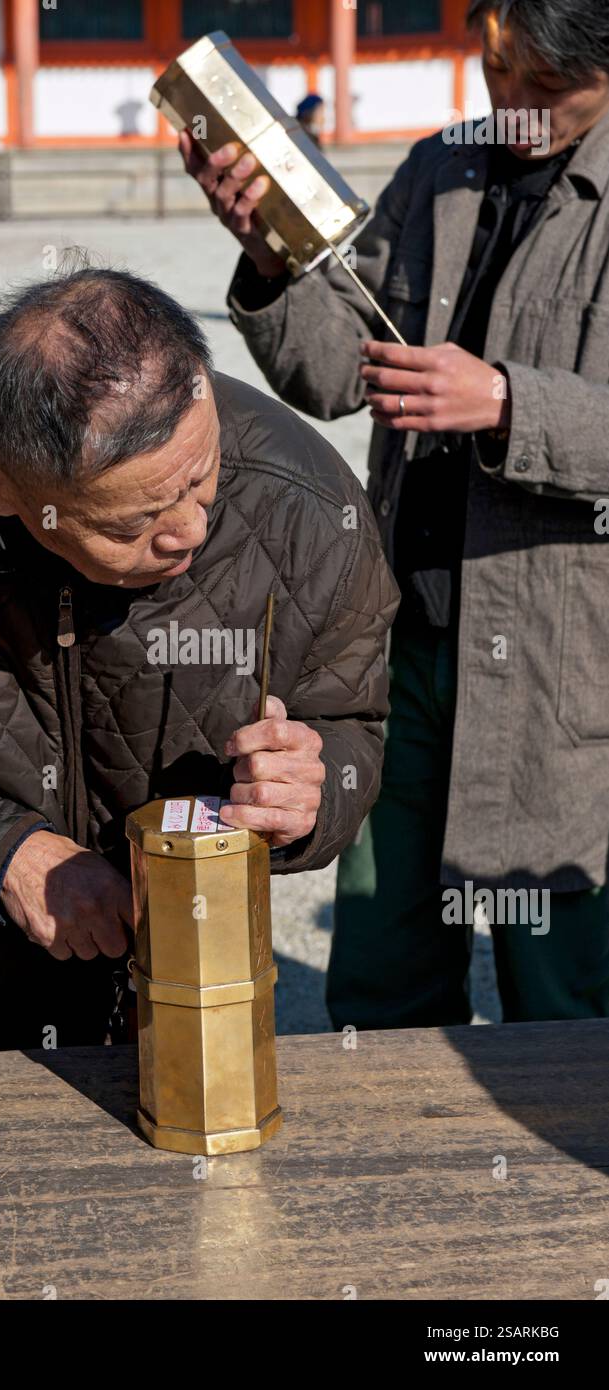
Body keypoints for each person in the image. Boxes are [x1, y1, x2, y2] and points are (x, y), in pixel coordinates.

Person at [0, 265, 397, 1061]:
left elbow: (350, 722)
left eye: (199, 477)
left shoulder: (304, 502)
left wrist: (309, 797)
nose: (187, 530)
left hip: (183, 990)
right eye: (134, 521)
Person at [180, 0, 609, 1028]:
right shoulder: (439, 168)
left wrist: (508, 401)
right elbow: (333, 369)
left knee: (566, 992)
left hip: (562, 656)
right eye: (497, 73)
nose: (512, 108)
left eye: (549, 91)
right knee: (379, 964)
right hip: (402, 635)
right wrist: (270, 247)